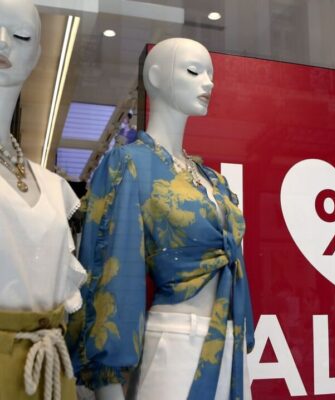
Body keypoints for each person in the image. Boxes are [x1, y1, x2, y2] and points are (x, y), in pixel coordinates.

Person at [68, 37, 254, 400]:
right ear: (154, 76)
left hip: (229, 343)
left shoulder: (210, 179)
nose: (208, 83)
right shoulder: (130, 164)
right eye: (193, 71)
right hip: (176, 346)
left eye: (211, 74)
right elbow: (111, 277)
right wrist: (108, 385)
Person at [0, 0, 86, 399]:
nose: (3, 42)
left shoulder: (53, 187)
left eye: (20, 36)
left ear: (37, 55)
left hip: (50, 371)